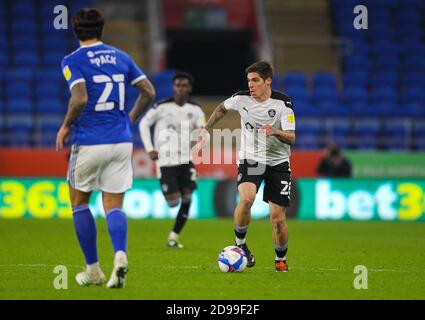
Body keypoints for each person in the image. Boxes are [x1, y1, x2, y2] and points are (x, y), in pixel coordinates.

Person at [56, 8, 156, 288]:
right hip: (121, 141)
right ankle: (120, 255)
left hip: (89, 141)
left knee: (79, 203)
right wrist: (129, 118)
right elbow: (149, 91)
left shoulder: (72, 60)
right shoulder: (122, 57)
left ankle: (93, 270)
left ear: (76, 31)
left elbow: (79, 98)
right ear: (101, 29)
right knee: (113, 205)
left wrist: (65, 126)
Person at [194, 61, 296, 272]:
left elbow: (292, 137)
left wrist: (276, 132)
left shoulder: (283, 104)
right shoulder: (241, 98)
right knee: (247, 198)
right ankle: (240, 245)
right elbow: (222, 108)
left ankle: (280, 259)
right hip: (251, 159)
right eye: (249, 80)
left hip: (278, 163)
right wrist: (206, 129)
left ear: (268, 81)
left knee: (277, 220)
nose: (251, 85)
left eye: (256, 80)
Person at [139, 72, 205, 248]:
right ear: (173, 87)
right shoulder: (161, 106)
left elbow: (202, 130)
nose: (180, 88)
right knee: (173, 202)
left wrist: (200, 138)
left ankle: (174, 236)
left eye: (184, 85)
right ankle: (173, 228)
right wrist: (150, 149)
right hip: (165, 161)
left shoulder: (196, 110)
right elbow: (143, 124)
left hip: (185, 160)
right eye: (177, 85)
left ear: (189, 88)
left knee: (188, 198)